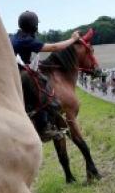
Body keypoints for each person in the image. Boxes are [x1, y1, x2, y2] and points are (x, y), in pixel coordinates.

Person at [10, 10, 81, 139]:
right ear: (34, 26)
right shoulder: (26, 40)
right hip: (18, 74)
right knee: (41, 85)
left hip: (14, 71)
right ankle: (44, 128)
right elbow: (54, 47)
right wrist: (73, 39)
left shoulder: (18, 36)